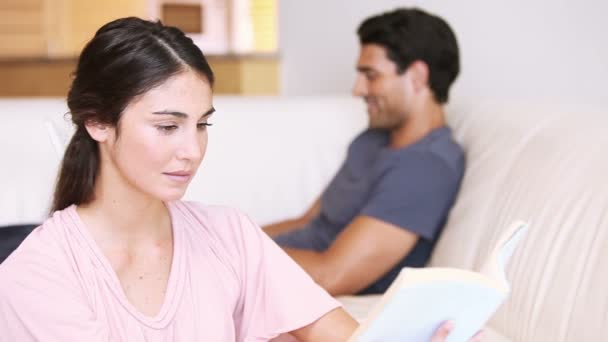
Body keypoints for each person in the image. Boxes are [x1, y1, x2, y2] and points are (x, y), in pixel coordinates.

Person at [0, 17, 474, 342]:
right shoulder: (37, 274)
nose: (192, 151)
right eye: (168, 126)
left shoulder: (232, 235)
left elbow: (344, 335)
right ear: (98, 122)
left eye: (202, 124)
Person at [264, 8, 465, 296]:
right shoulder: (372, 140)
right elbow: (306, 221)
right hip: (267, 265)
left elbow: (331, 276)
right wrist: (226, 238)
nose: (358, 90)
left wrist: (235, 256)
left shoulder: (427, 168)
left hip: (286, 284)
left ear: (418, 76)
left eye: (370, 76)